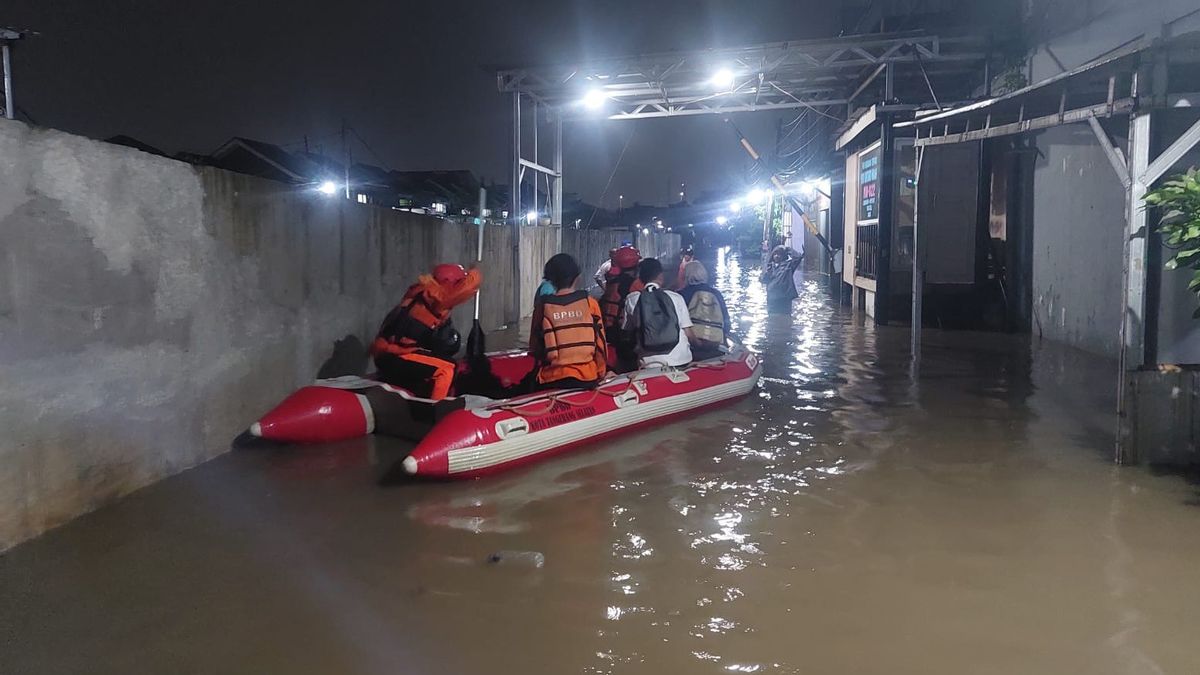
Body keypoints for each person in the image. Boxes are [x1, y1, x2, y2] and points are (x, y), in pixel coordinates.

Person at [370, 262, 482, 399]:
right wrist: (476, 272)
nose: (459, 285)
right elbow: (466, 289)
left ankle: (424, 397)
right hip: (396, 355)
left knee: (442, 360)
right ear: (447, 283)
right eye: (458, 282)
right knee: (447, 369)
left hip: (389, 353)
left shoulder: (421, 291)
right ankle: (436, 411)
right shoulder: (435, 297)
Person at [528, 253, 608, 391]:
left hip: (551, 379)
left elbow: (535, 347)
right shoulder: (590, 304)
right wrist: (601, 373)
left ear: (549, 279)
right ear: (577, 277)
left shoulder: (542, 307)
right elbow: (601, 346)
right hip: (586, 378)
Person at [621, 257, 694, 369]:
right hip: (681, 359)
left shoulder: (632, 299)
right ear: (660, 275)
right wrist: (701, 344)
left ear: (640, 278)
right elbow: (688, 332)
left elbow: (627, 331)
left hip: (649, 364)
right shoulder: (676, 297)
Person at [678, 260, 731, 360]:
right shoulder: (716, 294)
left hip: (693, 346)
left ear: (686, 275)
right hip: (715, 345)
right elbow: (727, 324)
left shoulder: (681, 295)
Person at [599, 244, 643, 339]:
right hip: (625, 333)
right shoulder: (636, 285)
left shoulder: (611, 283)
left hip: (608, 330)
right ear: (636, 265)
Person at [760, 245, 802, 315]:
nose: (777, 256)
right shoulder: (769, 267)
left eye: (779, 254)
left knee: (785, 319)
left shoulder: (789, 266)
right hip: (772, 300)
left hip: (784, 299)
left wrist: (787, 249)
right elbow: (762, 280)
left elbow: (798, 257)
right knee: (772, 320)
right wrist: (766, 274)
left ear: (784, 256)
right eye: (775, 254)